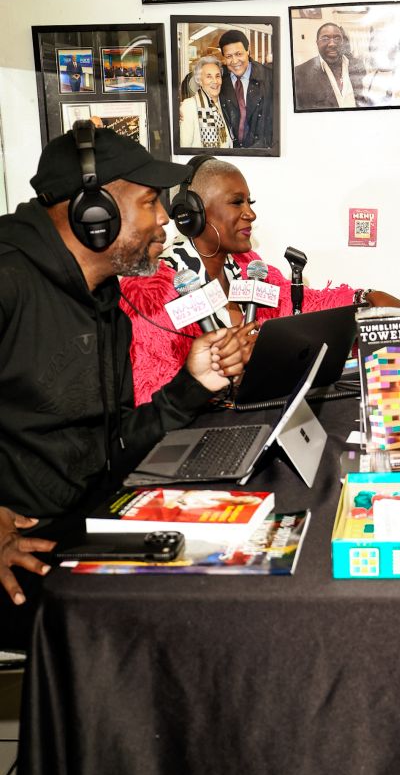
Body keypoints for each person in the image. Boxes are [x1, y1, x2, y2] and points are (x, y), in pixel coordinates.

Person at [0, 128, 248, 642]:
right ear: (94, 212)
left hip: (84, 519)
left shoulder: (105, 301)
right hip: (20, 550)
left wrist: (193, 385)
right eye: (150, 202)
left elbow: (112, 445)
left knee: (228, 579)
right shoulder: (8, 280)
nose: (164, 220)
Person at [120, 157, 400, 404]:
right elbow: (152, 391)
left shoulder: (247, 267)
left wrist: (368, 299)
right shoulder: (152, 290)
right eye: (237, 202)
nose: (250, 214)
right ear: (194, 213)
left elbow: (303, 302)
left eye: (250, 203)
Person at [217, 28, 273, 148]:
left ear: (248, 51)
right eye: (229, 56)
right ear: (224, 58)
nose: (234, 61)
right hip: (233, 151)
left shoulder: (270, 77)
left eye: (239, 54)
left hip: (263, 150)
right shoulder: (220, 81)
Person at [293, 23, 365, 111]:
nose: (332, 44)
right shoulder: (299, 73)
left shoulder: (357, 65)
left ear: (343, 42)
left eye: (337, 38)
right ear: (317, 43)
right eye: (325, 38)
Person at [179, 56, 232, 149]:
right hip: (201, 158)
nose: (215, 81)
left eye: (217, 76)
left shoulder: (225, 104)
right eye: (209, 76)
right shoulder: (189, 106)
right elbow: (184, 147)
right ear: (199, 80)